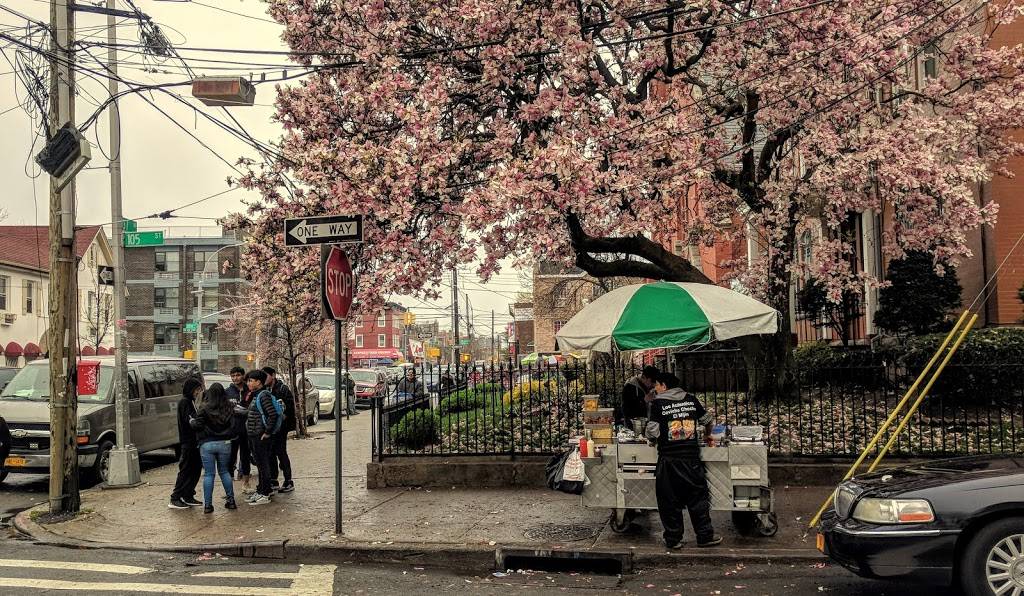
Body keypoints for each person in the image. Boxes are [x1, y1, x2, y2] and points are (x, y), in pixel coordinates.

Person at [645, 372, 722, 549]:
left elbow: (653, 432)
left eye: (656, 385)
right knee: (698, 499)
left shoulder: (658, 404)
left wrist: (650, 439)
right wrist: (708, 434)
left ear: (664, 386)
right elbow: (707, 420)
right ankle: (704, 536)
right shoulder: (691, 399)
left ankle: (673, 539)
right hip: (691, 459)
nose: (655, 388)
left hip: (669, 460)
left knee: (669, 501)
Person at [189, 383, 237, 513]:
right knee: (224, 472)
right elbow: (234, 426)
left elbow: (197, 425)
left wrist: (192, 421)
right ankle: (231, 501)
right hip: (225, 443)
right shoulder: (229, 408)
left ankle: (208, 505)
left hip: (207, 443)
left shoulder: (204, 409)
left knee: (209, 474)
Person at [169, 377, 204, 510]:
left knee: (195, 469)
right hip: (188, 442)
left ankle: (188, 494)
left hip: (194, 442)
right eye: (197, 389)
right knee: (186, 470)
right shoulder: (185, 403)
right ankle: (175, 497)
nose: (198, 392)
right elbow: (191, 422)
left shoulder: (191, 402)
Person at [245, 370, 278, 505]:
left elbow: (272, 414)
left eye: (251, 381)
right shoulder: (256, 395)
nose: (248, 383)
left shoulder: (263, 395)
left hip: (261, 435)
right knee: (259, 464)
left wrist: (267, 432)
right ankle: (263, 489)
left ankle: (265, 493)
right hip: (255, 434)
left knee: (263, 464)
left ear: (258, 382)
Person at [262, 366, 295, 494]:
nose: (264, 379)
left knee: (281, 452)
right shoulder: (264, 390)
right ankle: (273, 479)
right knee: (270, 453)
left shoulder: (282, 389)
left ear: (273, 375)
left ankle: (288, 481)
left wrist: (282, 420)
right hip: (269, 427)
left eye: (266, 376)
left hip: (281, 428)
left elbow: (290, 409)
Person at [225, 366, 252, 487]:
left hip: (247, 429)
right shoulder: (228, 392)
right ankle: (229, 484)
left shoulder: (249, 390)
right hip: (232, 429)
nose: (235, 378)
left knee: (245, 456)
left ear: (243, 375)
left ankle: (246, 482)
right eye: (233, 376)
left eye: (237, 375)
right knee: (230, 457)